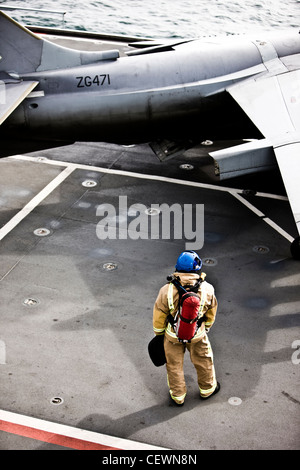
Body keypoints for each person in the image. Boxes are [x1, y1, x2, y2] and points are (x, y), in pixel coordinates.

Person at [153, 250, 220, 406]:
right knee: (204, 361)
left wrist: (159, 333)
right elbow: (211, 312)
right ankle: (207, 389)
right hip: (197, 334)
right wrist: (206, 327)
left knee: (174, 365)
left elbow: (159, 314)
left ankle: (178, 396)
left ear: (177, 268)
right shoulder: (208, 289)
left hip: (172, 336)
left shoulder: (167, 290)